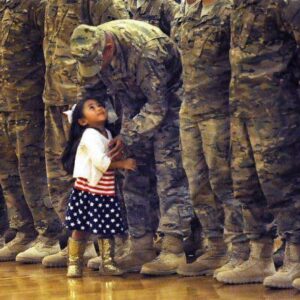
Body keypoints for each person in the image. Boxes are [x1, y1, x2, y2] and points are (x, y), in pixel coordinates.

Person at [70, 19, 194, 276]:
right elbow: (91, 90)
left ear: (108, 47)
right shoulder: (91, 46)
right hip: (133, 105)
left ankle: (173, 248)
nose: (97, 68)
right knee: (133, 174)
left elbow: (158, 106)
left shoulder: (145, 50)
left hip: (169, 105)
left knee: (170, 174)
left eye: (98, 62)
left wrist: (127, 135)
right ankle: (141, 247)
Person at [216, 0, 300, 289]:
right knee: (245, 183)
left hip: (277, 110)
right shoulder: (237, 6)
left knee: (282, 184)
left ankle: (295, 258)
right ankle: (259, 256)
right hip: (241, 108)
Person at [42, 0, 130, 268]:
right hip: (55, 97)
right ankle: (75, 244)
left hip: (86, 100)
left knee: (104, 177)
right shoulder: (51, 4)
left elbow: (113, 45)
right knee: (64, 172)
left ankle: (110, 246)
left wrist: (95, 101)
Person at [176, 0, 249, 277]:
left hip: (220, 110)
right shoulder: (187, 13)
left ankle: (239, 249)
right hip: (190, 110)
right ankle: (215, 246)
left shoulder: (228, 11)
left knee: (224, 182)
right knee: (197, 184)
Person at [0, 0, 62, 263]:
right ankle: (23, 231)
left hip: (28, 102)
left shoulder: (36, 5)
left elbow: (50, 51)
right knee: (8, 171)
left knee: (32, 169)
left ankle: (48, 234)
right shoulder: (5, 7)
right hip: (4, 102)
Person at [61, 98, 136, 278]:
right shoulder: (89, 135)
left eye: (99, 105)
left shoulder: (108, 134)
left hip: (104, 190)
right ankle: (74, 263)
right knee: (80, 227)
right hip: (88, 190)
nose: (99, 108)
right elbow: (101, 163)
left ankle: (108, 262)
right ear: (82, 121)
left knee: (106, 227)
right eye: (91, 108)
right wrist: (122, 163)